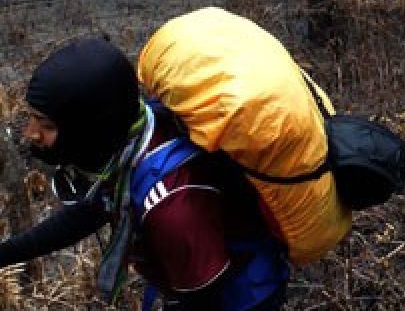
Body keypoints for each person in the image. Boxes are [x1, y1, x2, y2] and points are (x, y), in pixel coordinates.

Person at [0, 36, 289, 310]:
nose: (30, 134)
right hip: (195, 277)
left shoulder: (173, 210)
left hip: (241, 298)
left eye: (46, 125)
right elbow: (95, 209)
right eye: (32, 118)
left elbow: (200, 299)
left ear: (88, 130)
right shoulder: (140, 127)